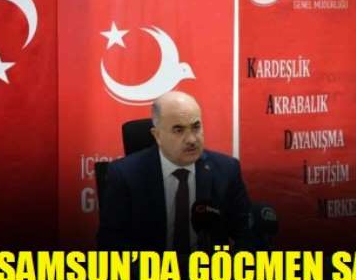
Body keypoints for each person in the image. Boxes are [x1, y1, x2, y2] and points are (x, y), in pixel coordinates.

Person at [98, 91, 252, 252]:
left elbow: (246, 234)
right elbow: (110, 242)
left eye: (196, 127)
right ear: (157, 135)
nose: (192, 139)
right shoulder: (125, 174)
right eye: (179, 130)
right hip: (151, 266)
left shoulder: (227, 170)